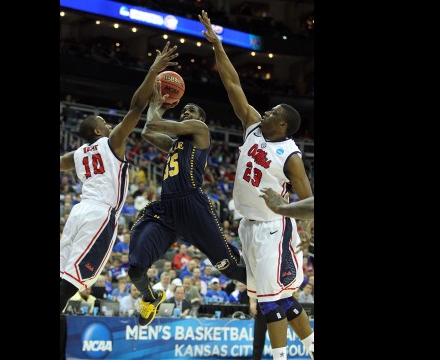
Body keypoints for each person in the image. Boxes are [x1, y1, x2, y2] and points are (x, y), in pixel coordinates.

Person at [200, 11, 314, 359]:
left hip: (272, 227)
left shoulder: (290, 155)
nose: (263, 114)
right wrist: (217, 45)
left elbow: (309, 200)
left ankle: (278, 358)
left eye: (271, 114)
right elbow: (233, 84)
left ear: (283, 125)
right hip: (248, 225)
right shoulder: (252, 126)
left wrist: (291, 215)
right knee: (281, 298)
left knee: (267, 300)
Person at [59, 42, 179, 314]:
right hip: (99, 216)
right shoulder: (111, 141)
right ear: (99, 129)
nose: (110, 125)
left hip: (78, 213)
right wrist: (153, 70)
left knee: (64, 278)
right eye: (105, 121)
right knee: (71, 281)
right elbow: (136, 106)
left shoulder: (76, 155)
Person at [127, 80, 247, 326]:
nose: (186, 112)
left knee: (230, 268)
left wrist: (156, 105)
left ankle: (271, 286)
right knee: (136, 269)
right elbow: (147, 132)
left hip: (192, 205)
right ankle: (151, 297)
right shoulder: (174, 145)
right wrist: (157, 106)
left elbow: (153, 123)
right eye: (184, 110)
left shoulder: (200, 130)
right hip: (167, 210)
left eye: (190, 111)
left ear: (199, 118)